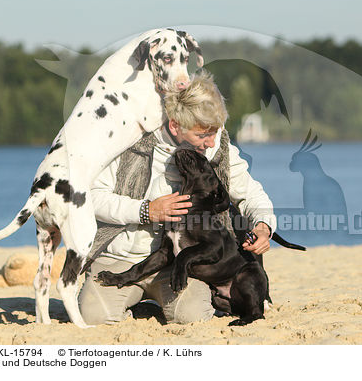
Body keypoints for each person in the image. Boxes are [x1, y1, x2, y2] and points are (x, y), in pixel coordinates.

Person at [79, 70, 277, 325]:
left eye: (215, 132)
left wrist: (263, 225)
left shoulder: (216, 148)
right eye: (203, 134)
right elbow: (91, 198)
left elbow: (251, 194)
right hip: (121, 258)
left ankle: (151, 306)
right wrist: (145, 210)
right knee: (96, 317)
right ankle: (133, 298)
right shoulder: (127, 141)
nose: (210, 142)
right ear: (175, 125)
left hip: (180, 265)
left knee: (192, 317)